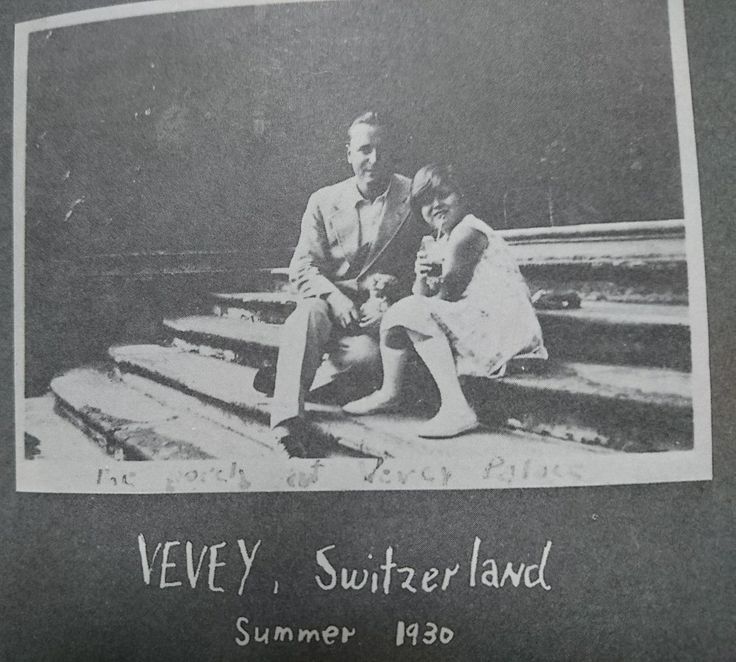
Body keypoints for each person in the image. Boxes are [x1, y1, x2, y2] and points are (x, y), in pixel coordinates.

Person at [343, 163, 547, 438]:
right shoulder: (439, 241)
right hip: (476, 316)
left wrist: (425, 292)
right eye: (426, 201)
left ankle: (457, 407)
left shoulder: (468, 232)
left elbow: (447, 294)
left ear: (462, 195)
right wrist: (422, 276)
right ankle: (389, 392)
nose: (436, 205)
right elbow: (422, 298)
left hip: (503, 324)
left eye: (444, 195)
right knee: (401, 313)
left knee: (407, 311)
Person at [267, 111, 424, 452]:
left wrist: (392, 305)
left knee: (368, 358)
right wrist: (334, 298)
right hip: (329, 304)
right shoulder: (323, 201)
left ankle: (293, 374)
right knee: (306, 317)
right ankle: (286, 424)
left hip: (374, 319)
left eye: (382, 149)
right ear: (349, 153)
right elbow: (303, 267)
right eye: (365, 149)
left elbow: (426, 261)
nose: (374, 159)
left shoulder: (413, 197)